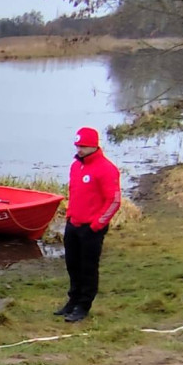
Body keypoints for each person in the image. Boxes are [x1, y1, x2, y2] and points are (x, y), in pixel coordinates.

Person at [55, 127, 121, 323]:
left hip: (91, 228)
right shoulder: (76, 166)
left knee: (88, 268)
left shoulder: (106, 168)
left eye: (83, 146)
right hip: (73, 224)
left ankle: (83, 305)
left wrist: (96, 225)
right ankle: (73, 300)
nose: (79, 149)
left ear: (94, 146)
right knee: (72, 265)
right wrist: (69, 216)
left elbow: (114, 201)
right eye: (77, 146)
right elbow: (75, 193)